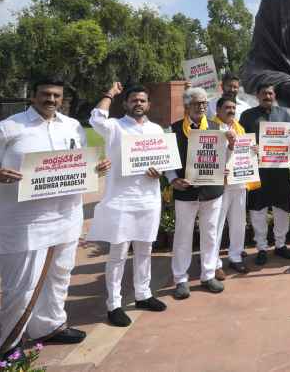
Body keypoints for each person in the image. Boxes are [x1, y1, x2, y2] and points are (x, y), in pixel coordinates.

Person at [0, 76, 110, 357]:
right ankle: (10, 344)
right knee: (21, 287)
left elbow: (80, 161)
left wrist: (97, 167)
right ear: (33, 96)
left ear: (63, 99)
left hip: (66, 216)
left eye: (56, 96)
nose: (51, 100)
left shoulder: (72, 126)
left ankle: (51, 326)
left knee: (60, 276)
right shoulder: (9, 128)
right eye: (45, 94)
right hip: (24, 222)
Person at [88, 83, 168, 327]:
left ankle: (143, 294)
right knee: (118, 254)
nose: (138, 104)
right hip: (121, 200)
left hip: (149, 199)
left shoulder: (156, 129)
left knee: (145, 250)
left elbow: (163, 159)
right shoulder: (115, 127)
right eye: (134, 100)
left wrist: (160, 171)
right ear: (126, 103)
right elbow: (96, 118)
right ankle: (114, 304)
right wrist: (109, 93)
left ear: (148, 105)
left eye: (142, 100)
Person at [167, 86, 225, 298]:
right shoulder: (173, 130)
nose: (201, 106)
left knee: (210, 233)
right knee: (183, 235)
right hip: (186, 190)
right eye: (197, 103)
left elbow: (223, 158)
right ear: (187, 105)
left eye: (204, 103)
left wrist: (227, 158)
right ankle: (180, 279)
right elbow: (168, 160)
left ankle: (208, 275)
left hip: (212, 190)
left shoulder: (216, 127)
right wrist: (172, 179)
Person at [240, 83, 290, 265]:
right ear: (257, 95)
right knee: (258, 211)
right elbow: (242, 141)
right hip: (258, 171)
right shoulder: (247, 116)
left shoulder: (286, 115)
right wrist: (251, 147)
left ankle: (280, 245)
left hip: (280, 170)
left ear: (274, 95)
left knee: (282, 209)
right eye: (264, 93)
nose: (267, 96)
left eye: (270, 93)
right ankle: (262, 248)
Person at [212, 95, 260, 275]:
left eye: (233, 108)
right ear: (217, 111)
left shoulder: (240, 128)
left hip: (239, 182)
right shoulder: (212, 128)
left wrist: (254, 150)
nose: (231, 111)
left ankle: (236, 257)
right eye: (227, 108)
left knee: (239, 223)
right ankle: (213, 263)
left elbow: (246, 154)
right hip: (221, 184)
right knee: (216, 224)